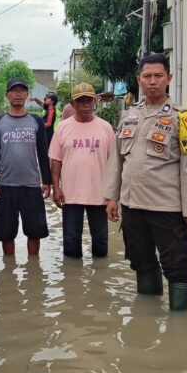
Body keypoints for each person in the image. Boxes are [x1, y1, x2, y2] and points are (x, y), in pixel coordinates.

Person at [102, 53, 187, 311]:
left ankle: (179, 324)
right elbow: (116, 159)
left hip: (167, 208)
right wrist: (112, 197)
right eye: (147, 76)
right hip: (132, 205)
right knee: (140, 260)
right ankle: (146, 317)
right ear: (139, 80)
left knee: (178, 265)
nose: (152, 81)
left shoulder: (185, 118)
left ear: (169, 78)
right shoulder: (129, 116)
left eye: (158, 76)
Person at [0, 77, 52, 256]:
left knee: (35, 232)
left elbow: (43, 153)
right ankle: (9, 269)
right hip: (6, 186)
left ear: (27, 95)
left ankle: (33, 268)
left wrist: (47, 181)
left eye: (22, 91)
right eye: (14, 91)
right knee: (7, 233)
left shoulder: (36, 121)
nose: (18, 94)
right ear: (7, 95)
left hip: (31, 185)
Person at [48, 83, 115, 258]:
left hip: (100, 194)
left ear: (95, 102)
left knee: (100, 242)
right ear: (73, 103)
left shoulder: (106, 128)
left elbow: (114, 164)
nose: (85, 104)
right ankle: (71, 279)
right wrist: (57, 188)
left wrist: (113, 196)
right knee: (71, 242)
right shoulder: (63, 127)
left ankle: (99, 281)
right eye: (81, 101)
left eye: (89, 100)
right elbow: (55, 160)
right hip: (70, 194)